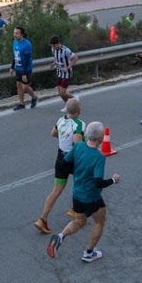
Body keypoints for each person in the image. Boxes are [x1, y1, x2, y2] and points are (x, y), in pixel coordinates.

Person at [46, 122, 121, 263]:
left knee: (80, 221)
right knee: (99, 222)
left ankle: (61, 236)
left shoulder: (79, 146)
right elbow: (98, 182)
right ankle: (89, 253)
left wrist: (78, 171)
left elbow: (64, 163)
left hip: (77, 194)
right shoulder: (99, 157)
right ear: (99, 138)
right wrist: (113, 180)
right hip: (91, 197)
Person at [35, 97, 84, 235]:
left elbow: (53, 133)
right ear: (79, 111)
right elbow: (77, 144)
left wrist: (64, 139)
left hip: (60, 157)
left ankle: (42, 219)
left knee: (57, 189)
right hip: (73, 159)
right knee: (81, 182)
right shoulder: (79, 124)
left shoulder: (60, 120)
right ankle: (76, 210)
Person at [10, 26, 38, 110]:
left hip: (26, 69)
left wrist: (24, 74)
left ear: (21, 34)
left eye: (17, 33)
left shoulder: (27, 44)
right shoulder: (15, 42)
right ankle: (22, 104)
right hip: (18, 68)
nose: (15, 35)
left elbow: (27, 59)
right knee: (18, 86)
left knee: (25, 87)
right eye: (14, 33)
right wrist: (12, 67)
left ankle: (34, 97)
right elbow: (15, 55)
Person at [49, 35, 76, 110]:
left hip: (67, 73)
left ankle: (74, 99)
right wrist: (53, 64)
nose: (53, 47)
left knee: (62, 92)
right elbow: (56, 58)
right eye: (52, 46)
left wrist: (67, 67)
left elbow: (75, 58)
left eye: (54, 45)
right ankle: (67, 105)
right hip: (59, 72)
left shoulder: (66, 50)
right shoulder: (53, 49)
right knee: (60, 92)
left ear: (57, 44)